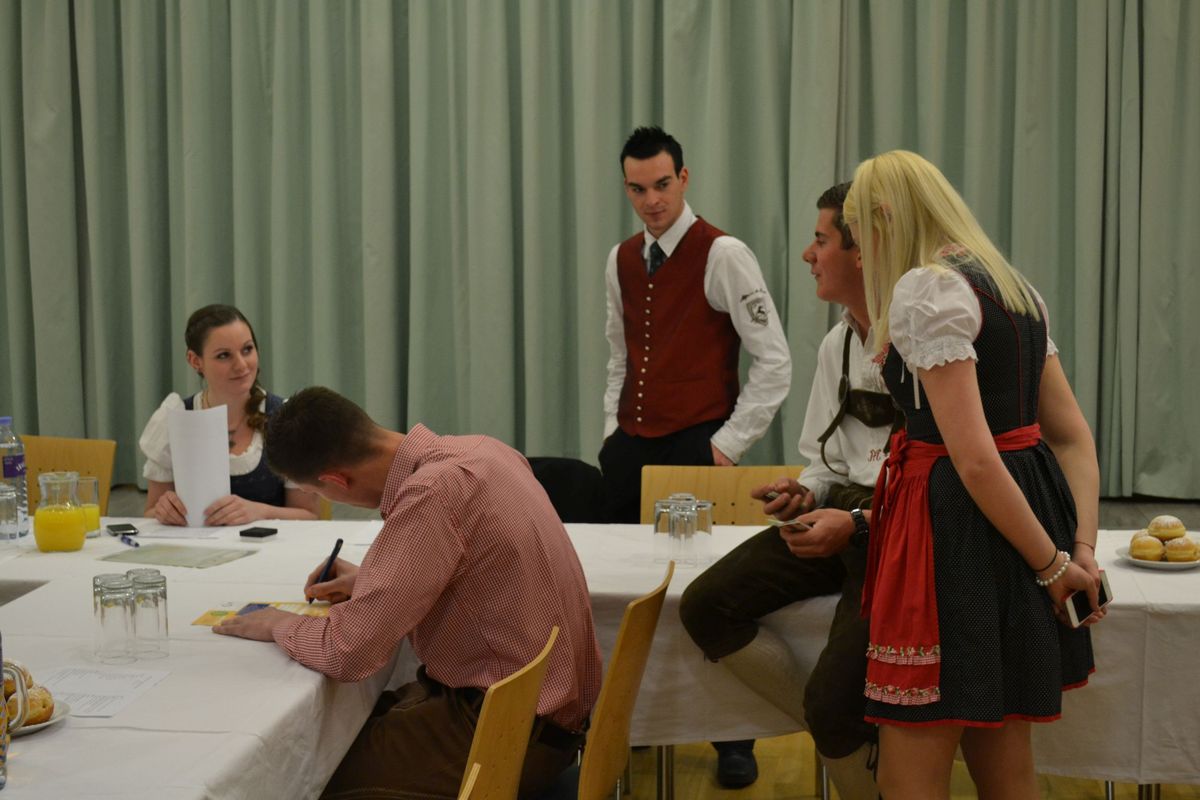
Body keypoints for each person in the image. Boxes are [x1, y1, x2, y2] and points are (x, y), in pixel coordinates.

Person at [842, 151, 1102, 799]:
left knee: (911, 765)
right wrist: (1078, 550)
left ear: (885, 216)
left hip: (953, 532)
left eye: (858, 235)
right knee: (1003, 753)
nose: (859, 255)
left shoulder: (927, 289)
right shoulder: (1015, 288)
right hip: (1024, 520)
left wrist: (1055, 566)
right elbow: (1071, 436)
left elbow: (975, 458)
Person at [213, 387, 603, 799]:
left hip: (506, 734)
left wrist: (279, 624)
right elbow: (479, 570)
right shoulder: (484, 451)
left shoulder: (431, 494)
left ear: (335, 480)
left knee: (300, 772)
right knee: (332, 732)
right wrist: (372, 580)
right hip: (546, 719)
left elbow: (348, 651)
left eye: (318, 493)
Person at [680, 183, 892, 797]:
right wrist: (804, 495)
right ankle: (839, 733)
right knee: (704, 605)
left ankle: (841, 733)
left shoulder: (918, 342)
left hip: (899, 525)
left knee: (835, 705)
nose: (807, 254)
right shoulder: (837, 344)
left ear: (861, 253)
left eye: (820, 240)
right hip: (841, 510)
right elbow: (823, 463)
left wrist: (855, 523)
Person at [600, 126, 791, 530]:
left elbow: (775, 360)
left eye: (662, 185)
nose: (652, 200)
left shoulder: (723, 254)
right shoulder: (621, 258)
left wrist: (727, 445)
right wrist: (611, 431)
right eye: (638, 189)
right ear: (626, 188)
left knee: (690, 561)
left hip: (696, 445)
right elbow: (620, 355)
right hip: (627, 449)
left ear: (683, 178)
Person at [139, 304, 319, 525]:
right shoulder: (175, 419)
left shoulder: (285, 419)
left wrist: (259, 511)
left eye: (247, 349)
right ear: (195, 361)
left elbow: (310, 515)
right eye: (224, 355)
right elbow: (150, 513)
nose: (241, 365)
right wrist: (164, 511)